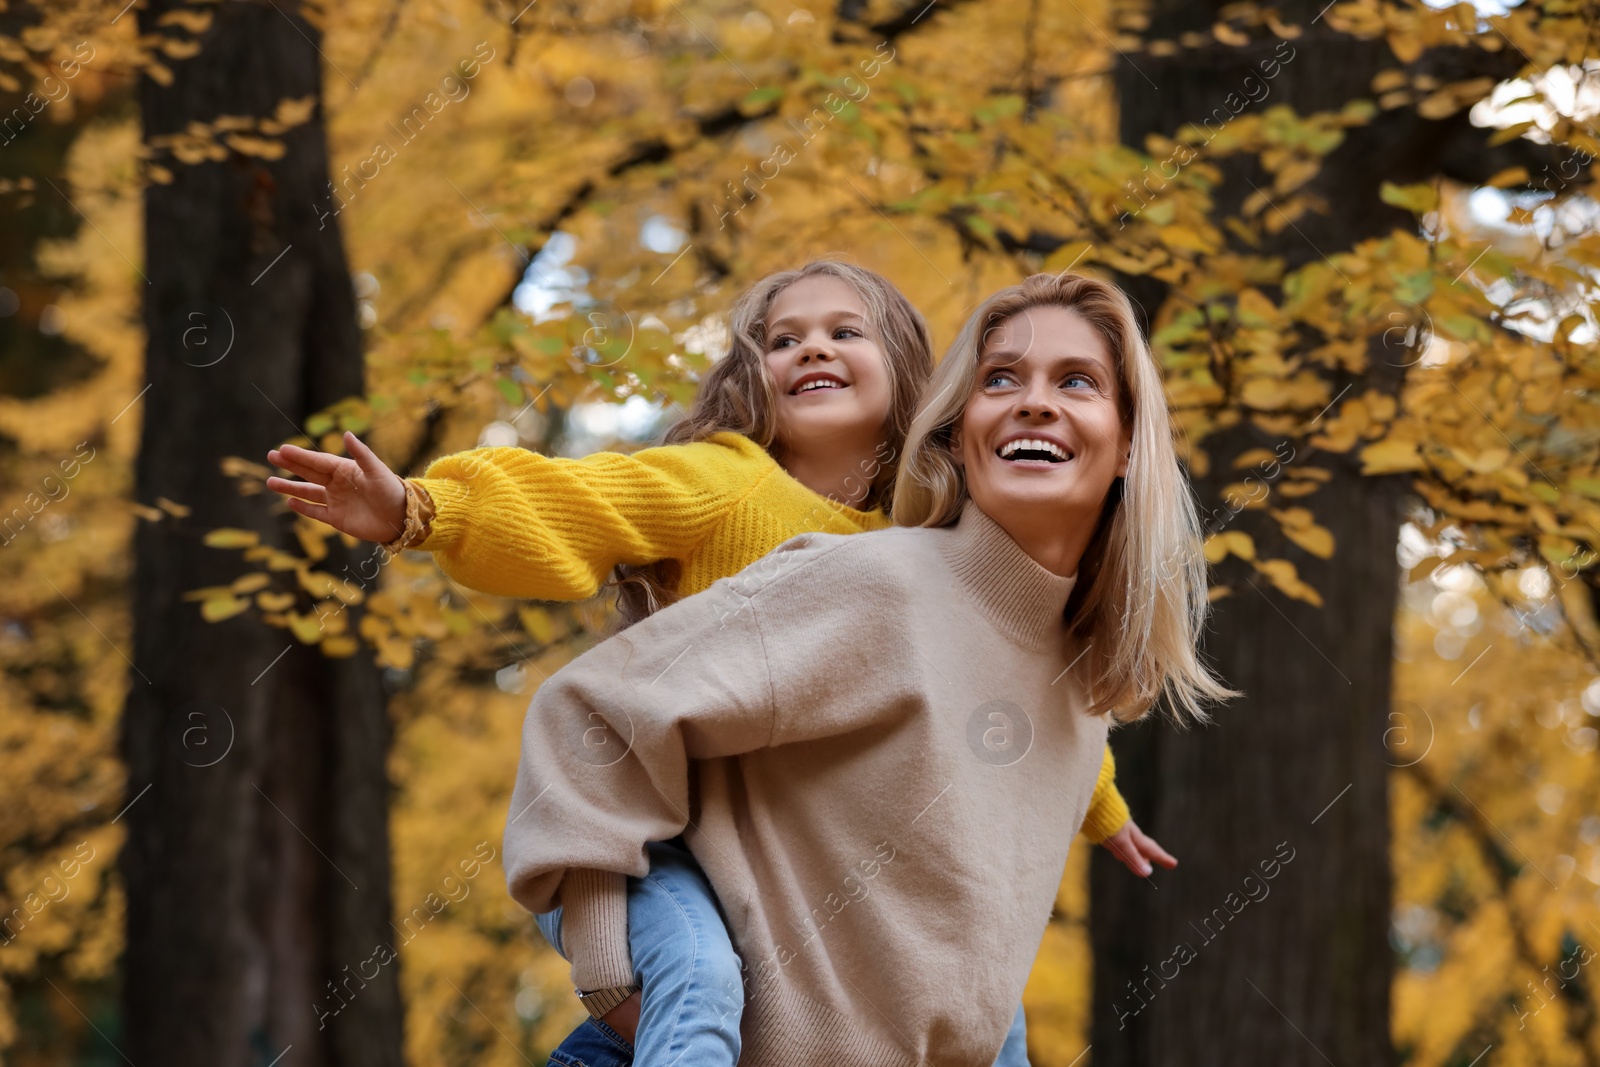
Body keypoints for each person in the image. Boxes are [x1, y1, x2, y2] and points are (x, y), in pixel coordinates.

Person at [263, 261, 1155, 1065]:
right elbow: (580, 504)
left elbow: (1007, 685)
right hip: (660, 842)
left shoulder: (922, 550)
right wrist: (423, 510)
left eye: (847, 331)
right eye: (783, 338)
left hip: (763, 886)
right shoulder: (729, 483)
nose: (813, 348)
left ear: (917, 387)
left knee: (991, 1009)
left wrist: (1102, 807)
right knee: (698, 980)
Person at [503, 271, 1235, 1065]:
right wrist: (612, 969)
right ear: (957, 432)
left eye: (1077, 381)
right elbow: (588, 708)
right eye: (1000, 379)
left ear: (1129, 441)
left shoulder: (1085, 699)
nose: (1034, 400)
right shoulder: (882, 583)